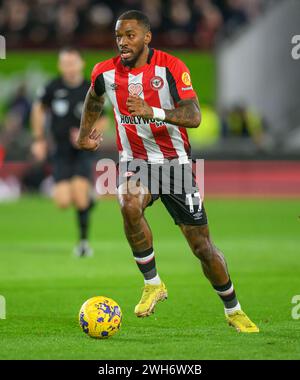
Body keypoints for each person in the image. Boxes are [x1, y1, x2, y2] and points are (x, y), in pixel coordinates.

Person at [77, 10, 259, 332]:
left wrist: (153, 111)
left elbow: (194, 115)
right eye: (118, 36)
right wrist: (84, 134)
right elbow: (93, 99)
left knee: (202, 247)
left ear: (147, 37)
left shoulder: (171, 67)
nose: (122, 42)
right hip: (135, 162)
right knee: (127, 203)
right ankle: (153, 283)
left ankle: (234, 309)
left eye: (130, 35)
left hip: (175, 165)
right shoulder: (105, 72)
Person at [31, 47, 109, 257]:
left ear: (81, 64)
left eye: (73, 63)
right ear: (60, 65)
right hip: (60, 151)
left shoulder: (90, 89)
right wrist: (38, 140)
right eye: (65, 63)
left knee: (80, 198)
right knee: (63, 202)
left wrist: (86, 135)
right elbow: (38, 109)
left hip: (83, 151)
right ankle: (90, 198)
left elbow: (104, 118)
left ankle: (83, 243)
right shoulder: (52, 87)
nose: (69, 67)